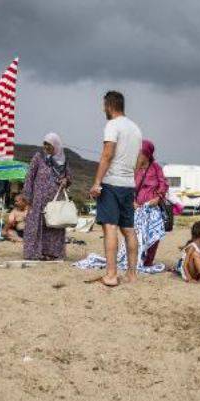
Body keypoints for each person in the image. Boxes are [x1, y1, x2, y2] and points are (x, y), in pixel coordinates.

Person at [89, 91, 143, 286]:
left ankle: (111, 275)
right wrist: (130, 177)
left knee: (110, 227)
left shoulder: (112, 125)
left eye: (104, 105)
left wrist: (97, 182)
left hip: (112, 183)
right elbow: (138, 160)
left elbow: (107, 154)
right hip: (129, 184)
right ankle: (132, 275)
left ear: (110, 105)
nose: (103, 109)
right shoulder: (136, 129)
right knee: (128, 229)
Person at [22, 133, 72, 260]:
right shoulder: (38, 158)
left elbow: (69, 177)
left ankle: (53, 253)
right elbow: (29, 177)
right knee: (35, 227)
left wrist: (65, 181)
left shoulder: (63, 161)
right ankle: (35, 253)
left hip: (55, 200)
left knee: (54, 226)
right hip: (38, 201)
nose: (46, 147)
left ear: (56, 145)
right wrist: (27, 197)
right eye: (44, 144)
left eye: (49, 144)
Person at [134, 139, 168, 266]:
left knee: (153, 235)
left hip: (152, 208)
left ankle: (148, 261)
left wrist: (158, 198)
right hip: (137, 209)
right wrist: (132, 202)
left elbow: (163, 184)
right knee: (137, 235)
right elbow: (128, 188)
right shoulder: (134, 169)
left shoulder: (156, 167)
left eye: (140, 153)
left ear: (147, 154)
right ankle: (136, 259)